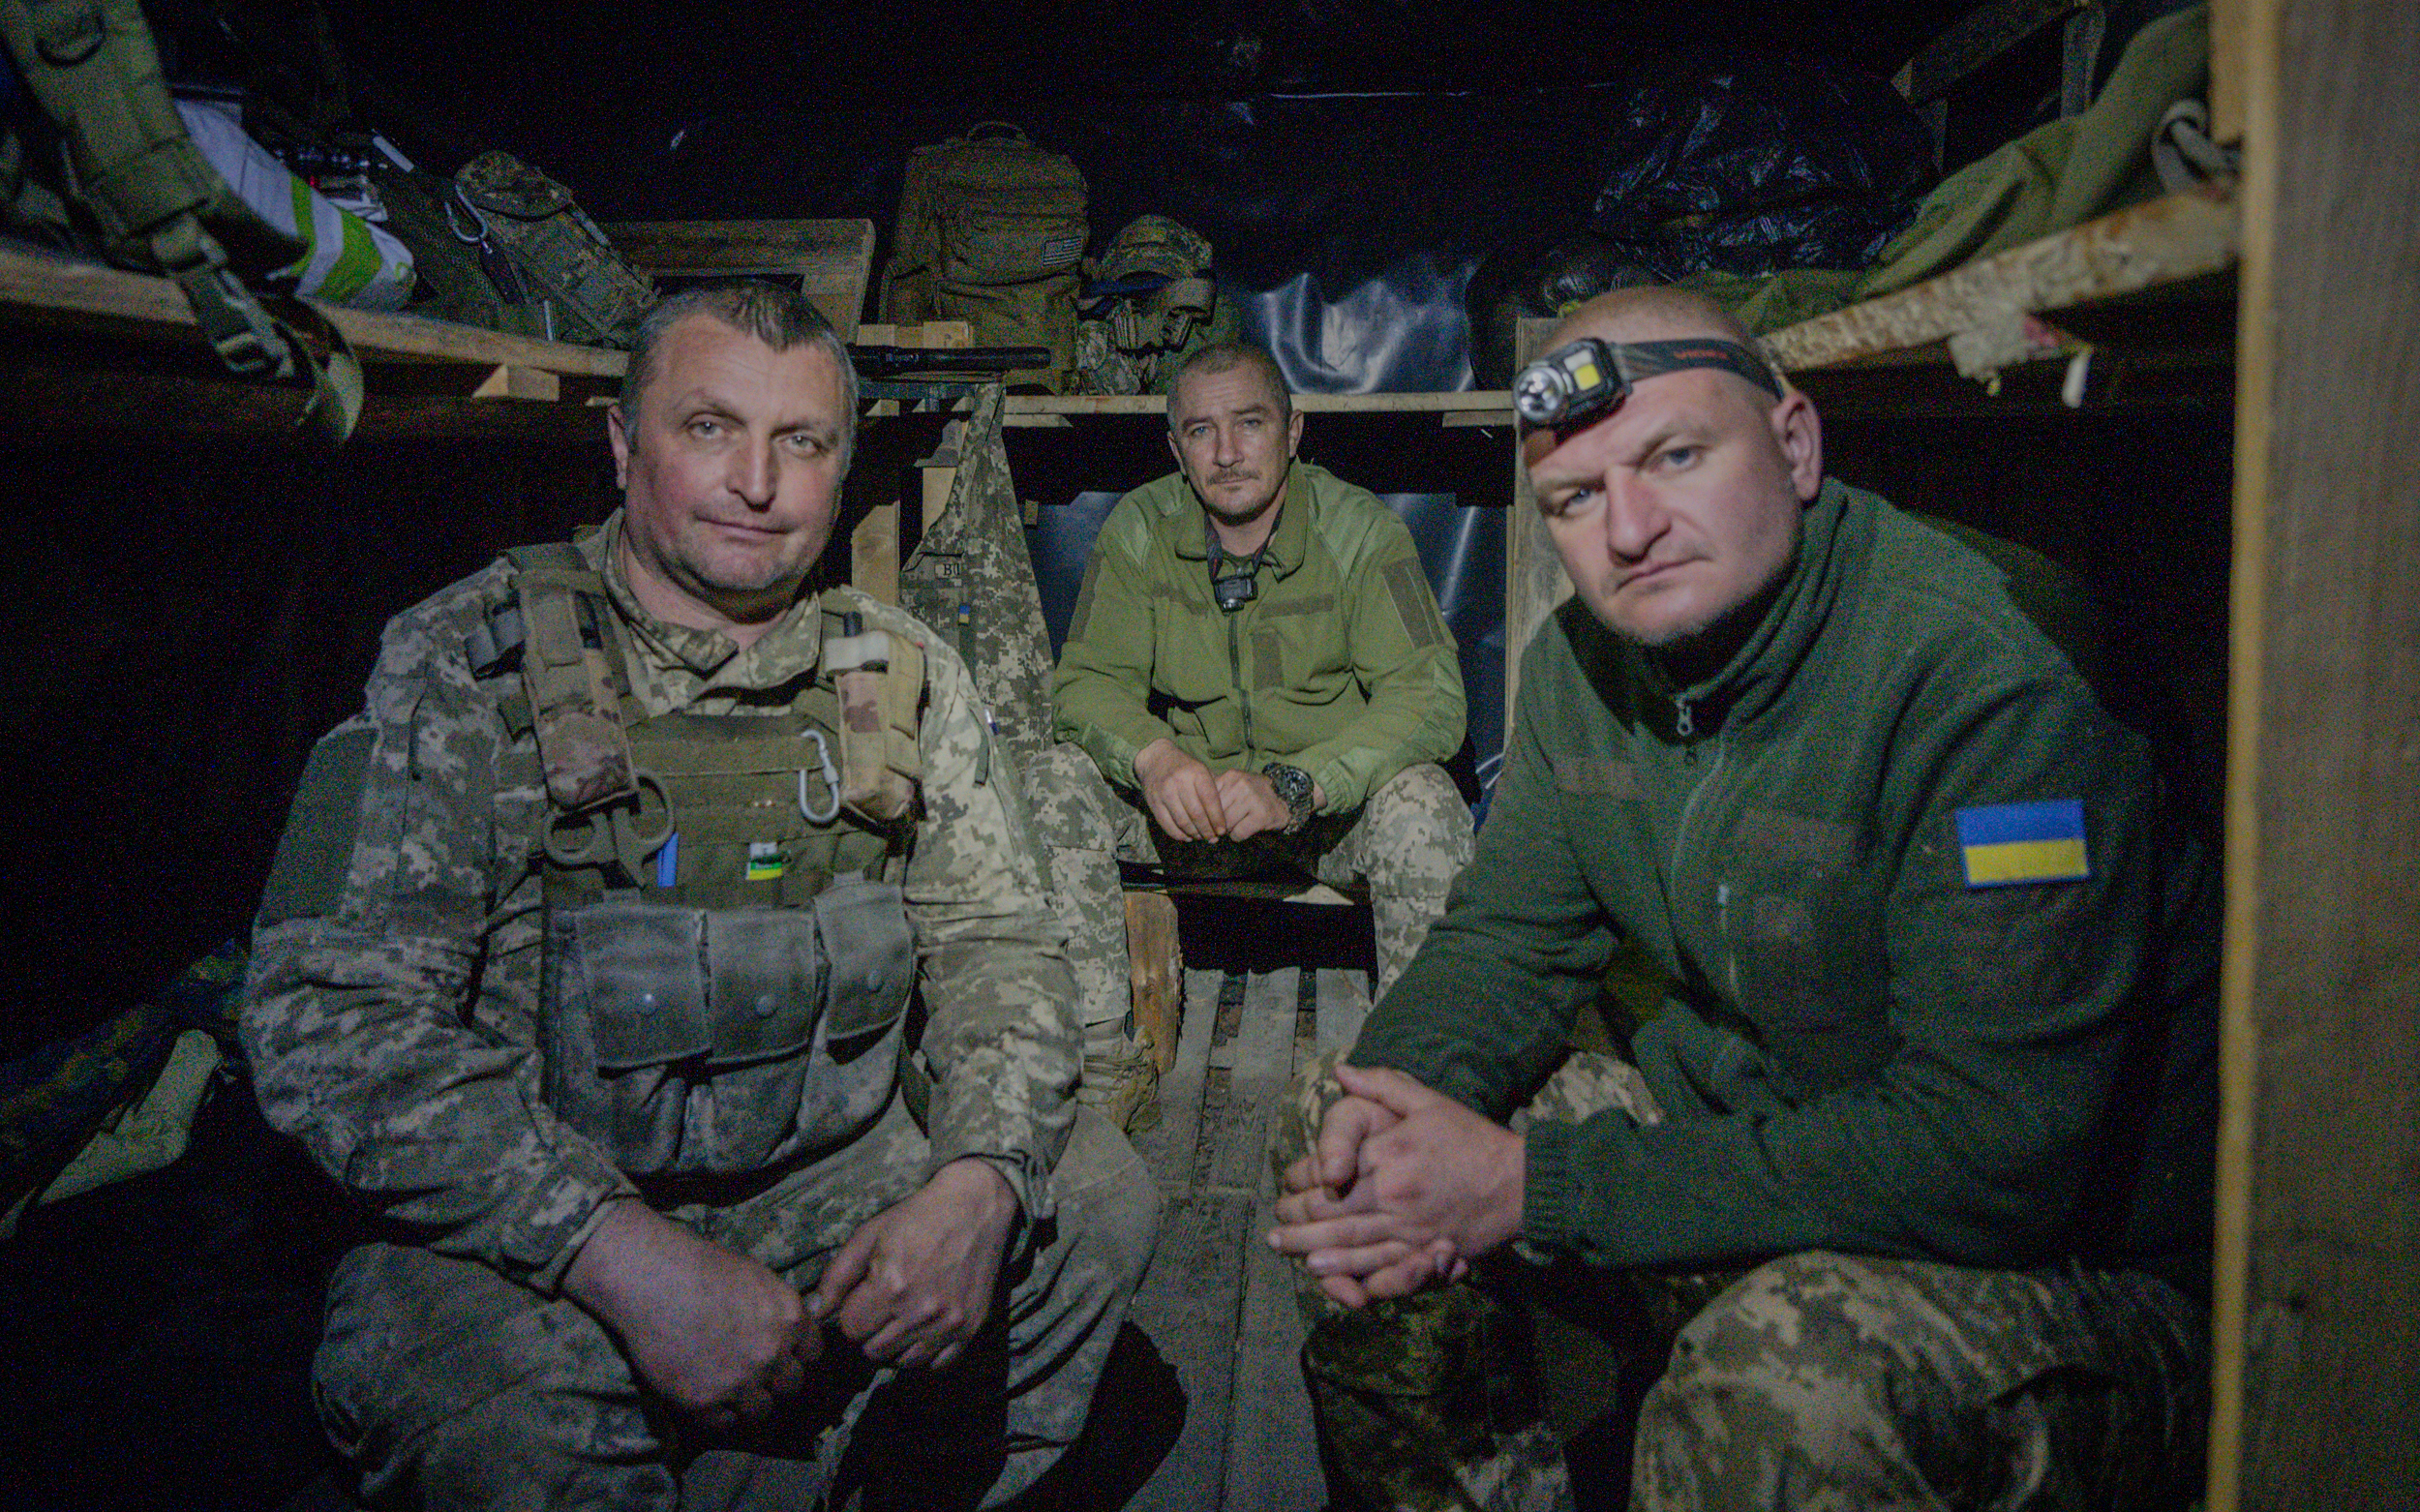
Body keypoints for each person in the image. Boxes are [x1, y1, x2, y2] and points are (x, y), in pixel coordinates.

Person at [1269, 287, 2217, 1511]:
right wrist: (1394, 1118)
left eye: (1674, 456)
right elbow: (1505, 944)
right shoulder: (1583, 668)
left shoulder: (1983, 674)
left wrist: (1530, 1184)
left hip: (2066, 1272)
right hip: (1777, 1146)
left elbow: (1994, 1161)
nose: (1630, 528)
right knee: (1346, 1132)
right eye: (1574, 497)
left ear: (1794, 441)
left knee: (1778, 1381)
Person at [241, 283, 1160, 1511]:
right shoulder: (467, 665)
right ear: (624, 447)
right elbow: (329, 1024)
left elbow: (999, 945)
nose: (758, 482)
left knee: (1092, 1197)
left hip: (829, 1181)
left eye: (803, 442)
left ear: (841, 469)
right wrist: (615, 1251)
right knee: (490, 1415)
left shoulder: (896, 672)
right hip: (539, 1221)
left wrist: (976, 1181)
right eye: (709, 427)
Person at [1039, 340, 1474, 1129]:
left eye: (1250, 423)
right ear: (1175, 449)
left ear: (1294, 430)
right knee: (1052, 781)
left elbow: (1432, 696)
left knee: (1425, 804)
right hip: (1191, 816)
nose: (1229, 453)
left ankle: (1419, 1085)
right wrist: (1154, 756)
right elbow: (1086, 684)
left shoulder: (1362, 533)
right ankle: (1098, 1062)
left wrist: (1300, 784)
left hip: (1325, 819)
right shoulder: (1140, 530)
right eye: (1201, 432)